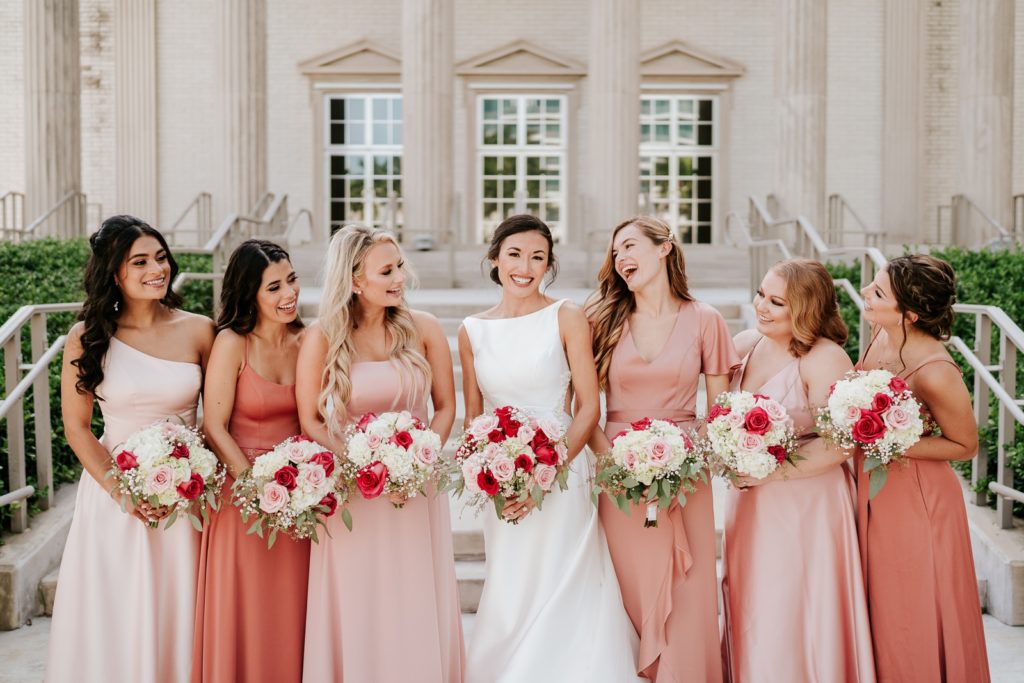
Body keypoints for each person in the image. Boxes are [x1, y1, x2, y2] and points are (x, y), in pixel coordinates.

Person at [460, 214, 643, 682]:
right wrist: (489, 474)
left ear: (549, 265)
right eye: (515, 255)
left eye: (538, 257)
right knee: (513, 580)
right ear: (495, 259)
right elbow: (475, 418)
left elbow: (587, 407)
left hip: (562, 470)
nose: (525, 267)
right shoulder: (472, 330)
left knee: (564, 579)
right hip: (500, 478)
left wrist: (550, 468)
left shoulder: (566, 317)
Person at [46, 215, 214, 683]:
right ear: (113, 272)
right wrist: (123, 492)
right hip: (114, 497)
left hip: (188, 493)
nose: (156, 269)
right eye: (139, 261)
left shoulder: (200, 330)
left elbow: (218, 418)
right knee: (117, 610)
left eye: (160, 258)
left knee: (179, 603)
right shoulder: (88, 336)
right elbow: (78, 428)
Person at [296, 224, 464, 682]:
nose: (399, 279)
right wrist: (357, 460)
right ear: (354, 280)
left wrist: (423, 454)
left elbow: (445, 406)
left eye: (400, 267)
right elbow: (310, 420)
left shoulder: (424, 328)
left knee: (413, 592)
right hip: (354, 492)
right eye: (386, 271)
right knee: (358, 595)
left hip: (416, 488)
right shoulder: (321, 338)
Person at [585, 216, 739, 681]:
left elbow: (721, 413)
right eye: (616, 253)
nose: (621, 259)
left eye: (630, 246)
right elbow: (584, 408)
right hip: (617, 473)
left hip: (686, 473)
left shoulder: (706, 320)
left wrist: (686, 460)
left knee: (689, 588)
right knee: (633, 583)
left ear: (665, 248)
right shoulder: (600, 319)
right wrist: (615, 460)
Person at [720, 259, 875, 683]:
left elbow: (842, 444)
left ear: (805, 309)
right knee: (756, 601)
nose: (762, 307)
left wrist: (769, 473)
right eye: (761, 294)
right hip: (749, 503)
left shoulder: (825, 358)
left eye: (777, 302)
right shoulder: (746, 342)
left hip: (807, 504)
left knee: (797, 601)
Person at [856, 254, 990, 682]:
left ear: (910, 314)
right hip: (875, 490)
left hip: (919, 502)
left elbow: (965, 445)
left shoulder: (935, 371)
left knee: (911, 607)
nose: (864, 294)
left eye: (877, 293)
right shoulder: (881, 333)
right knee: (882, 603)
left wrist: (891, 438)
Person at [191, 240, 308, 683]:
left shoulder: (307, 339)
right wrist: (257, 489)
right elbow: (214, 426)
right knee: (246, 608)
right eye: (273, 287)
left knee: (291, 610)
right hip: (242, 500)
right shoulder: (232, 342)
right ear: (249, 294)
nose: (288, 294)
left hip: (301, 497)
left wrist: (299, 487)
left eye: (292, 280)